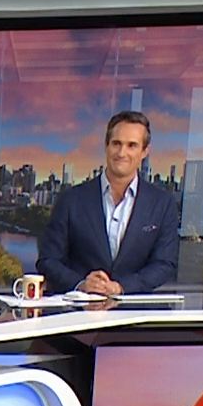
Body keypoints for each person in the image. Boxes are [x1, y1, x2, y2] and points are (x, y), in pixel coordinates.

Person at [34, 110, 179, 295]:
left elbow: (165, 264)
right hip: (79, 309)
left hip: (135, 309)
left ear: (144, 152)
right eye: (116, 143)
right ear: (106, 146)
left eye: (132, 145)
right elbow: (48, 260)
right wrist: (81, 284)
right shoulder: (71, 199)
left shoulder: (162, 204)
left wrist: (121, 287)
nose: (122, 153)